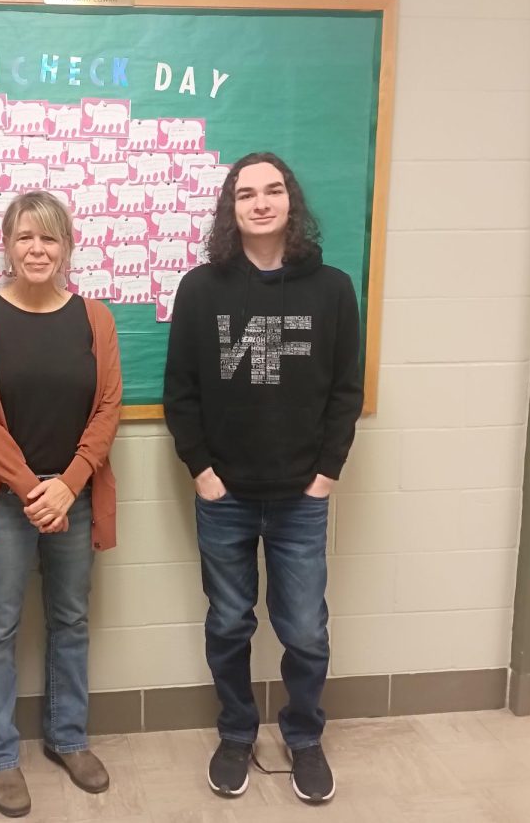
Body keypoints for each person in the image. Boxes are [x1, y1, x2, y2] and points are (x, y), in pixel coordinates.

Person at [163, 152, 362, 805]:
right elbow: (181, 391)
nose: (261, 202)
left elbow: (345, 390)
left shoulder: (332, 289)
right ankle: (236, 732)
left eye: (273, 190)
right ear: (232, 208)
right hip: (225, 497)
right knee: (227, 623)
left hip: (302, 498)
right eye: (246, 193)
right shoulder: (201, 288)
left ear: (291, 201)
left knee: (304, 628)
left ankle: (303, 737)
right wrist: (203, 471)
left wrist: (327, 475)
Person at [0, 190, 122, 818]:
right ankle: (0, 757)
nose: (37, 249)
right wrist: (32, 488)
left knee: (71, 621)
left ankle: (68, 738)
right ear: (6, 244)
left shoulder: (95, 319)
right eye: (25, 237)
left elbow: (108, 409)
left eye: (49, 238)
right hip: (3, 499)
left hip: (73, 498)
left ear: (67, 247)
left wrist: (69, 484)